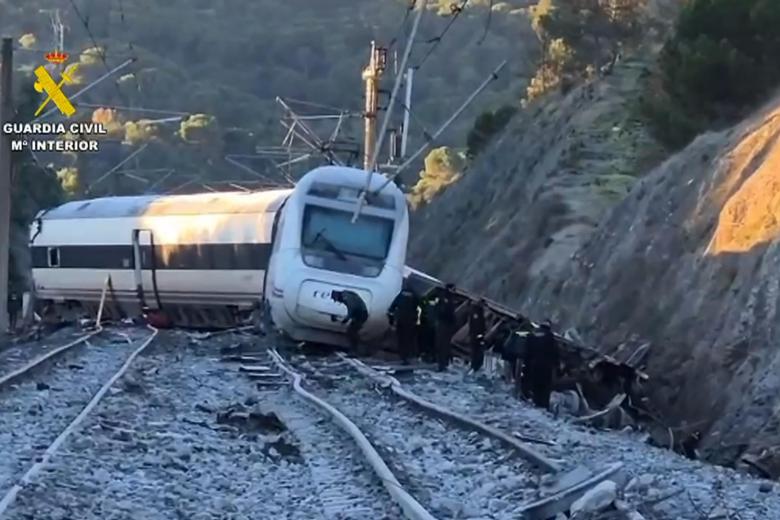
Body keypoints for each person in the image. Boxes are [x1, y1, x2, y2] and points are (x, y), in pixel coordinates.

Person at [525, 320, 560, 409]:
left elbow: (527, 353)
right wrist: (556, 371)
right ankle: (544, 407)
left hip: (533, 367)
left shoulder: (531, 335)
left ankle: (535, 405)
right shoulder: (550, 337)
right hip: (546, 369)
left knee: (535, 390)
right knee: (544, 392)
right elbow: (555, 355)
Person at [388, 286, 420, 365]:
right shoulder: (415, 296)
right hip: (410, 320)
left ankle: (403, 356)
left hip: (401, 319)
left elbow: (392, 307)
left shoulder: (401, 295)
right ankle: (408, 356)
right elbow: (418, 308)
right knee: (408, 339)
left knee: (401, 338)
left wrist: (391, 319)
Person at [434, 284, 457, 371]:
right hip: (445, 324)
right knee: (443, 344)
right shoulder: (446, 299)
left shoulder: (445, 297)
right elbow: (446, 312)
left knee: (443, 344)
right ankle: (442, 364)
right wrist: (452, 321)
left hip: (443, 323)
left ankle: (443, 363)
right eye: (453, 289)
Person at [468, 299, 486, 373]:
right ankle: (475, 366)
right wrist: (480, 335)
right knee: (476, 351)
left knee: (476, 351)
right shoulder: (477, 312)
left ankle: (475, 366)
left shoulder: (477, 311)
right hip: (476, 335)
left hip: (475, 334)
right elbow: (477, 325)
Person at [417, 295, 436, 363]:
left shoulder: (425, 303)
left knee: (424, 341)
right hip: (432, 326)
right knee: (431, 342)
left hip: (425, 325)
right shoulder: (436, 305)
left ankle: (424, 355)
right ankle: (431, 356)